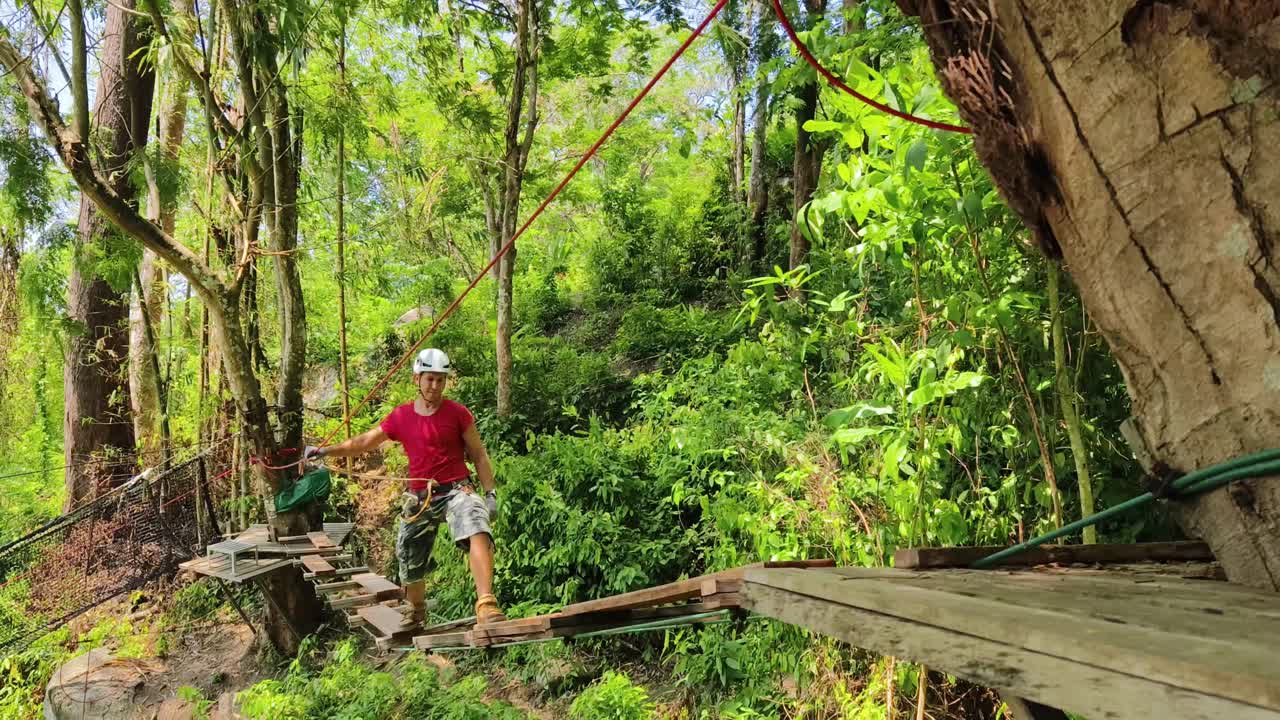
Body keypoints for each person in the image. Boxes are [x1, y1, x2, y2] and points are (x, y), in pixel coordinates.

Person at [305, 348, 506, 626]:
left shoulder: (458, 414)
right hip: (419, 496)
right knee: (408, 552)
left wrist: (490, 494)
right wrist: (325, 451)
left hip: (456, 489)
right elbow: (365, 441)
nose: (434, 386)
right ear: (417, 379)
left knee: (476, 522)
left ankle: (486, 603)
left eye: (440, 380)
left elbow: (479, 454)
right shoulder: (401, 417)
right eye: (429, 379)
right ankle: (415, 608)